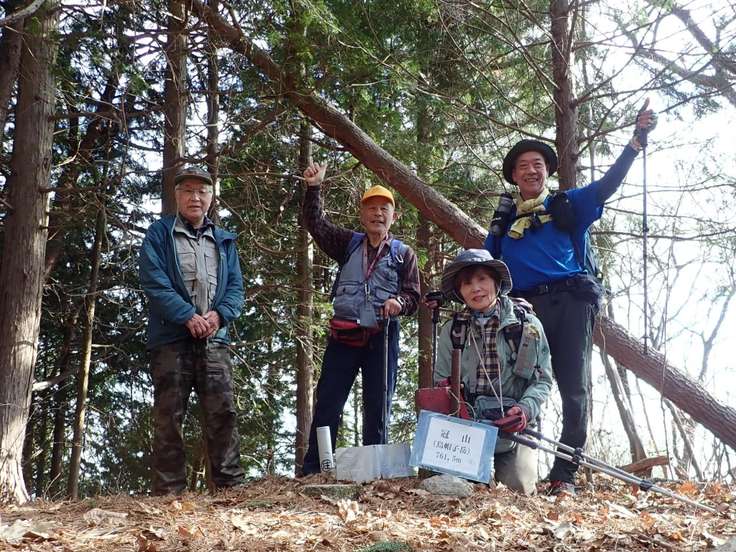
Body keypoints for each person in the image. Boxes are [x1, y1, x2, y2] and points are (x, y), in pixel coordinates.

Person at [483, 103, 657, 495]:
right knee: (518, 385)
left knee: (574, 387)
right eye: (523, 166)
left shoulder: (566, 203)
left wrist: (634, 144)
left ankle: (564, 474)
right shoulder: (505, 221)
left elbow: (606, 186)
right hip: (524, 310)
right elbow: (486, 264)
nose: (532, 170)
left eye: (538, 164)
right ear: (514, 176)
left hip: (570, 303)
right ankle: (515, 469)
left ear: (547, 171)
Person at [299, 161, 420, 476]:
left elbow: (414, 296)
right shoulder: (348, 244)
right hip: (344, 336)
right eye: (371, 208)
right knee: (328, 402)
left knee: (378, 405)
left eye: (384, 209)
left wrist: (399, 302)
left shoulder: (403, 254)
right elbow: (316, 224)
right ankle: (315, 469)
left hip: (382, 336)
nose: (378, 213)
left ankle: (373, 472)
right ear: (362, 215)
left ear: (394, 216)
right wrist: (314, 187)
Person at [139, 166, 245, 495]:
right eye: (188, 191)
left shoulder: (224, 240)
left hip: (215, 341)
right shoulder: (159, 234)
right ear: (177, 196)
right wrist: (187, 315)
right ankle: (169, 492)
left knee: (223, 413)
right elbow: (153, 282)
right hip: (171, 340)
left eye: (202, 191)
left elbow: (236, 288)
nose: (195, 197)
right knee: (169, 415)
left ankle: (229, 488)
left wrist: (220, 316)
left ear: (211, 197)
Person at [433, 248, 553, 495]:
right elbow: (441, 382)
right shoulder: (452, 330)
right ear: (459, 291)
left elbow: (542, 380)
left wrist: (524, 410)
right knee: (458, 493)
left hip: (516, 425)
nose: (476, 288)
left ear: (497, 283)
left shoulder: (527, 326)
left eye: (482, 279)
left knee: (517, 490)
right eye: (467, 283)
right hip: (468, 426)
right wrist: (461, 413)